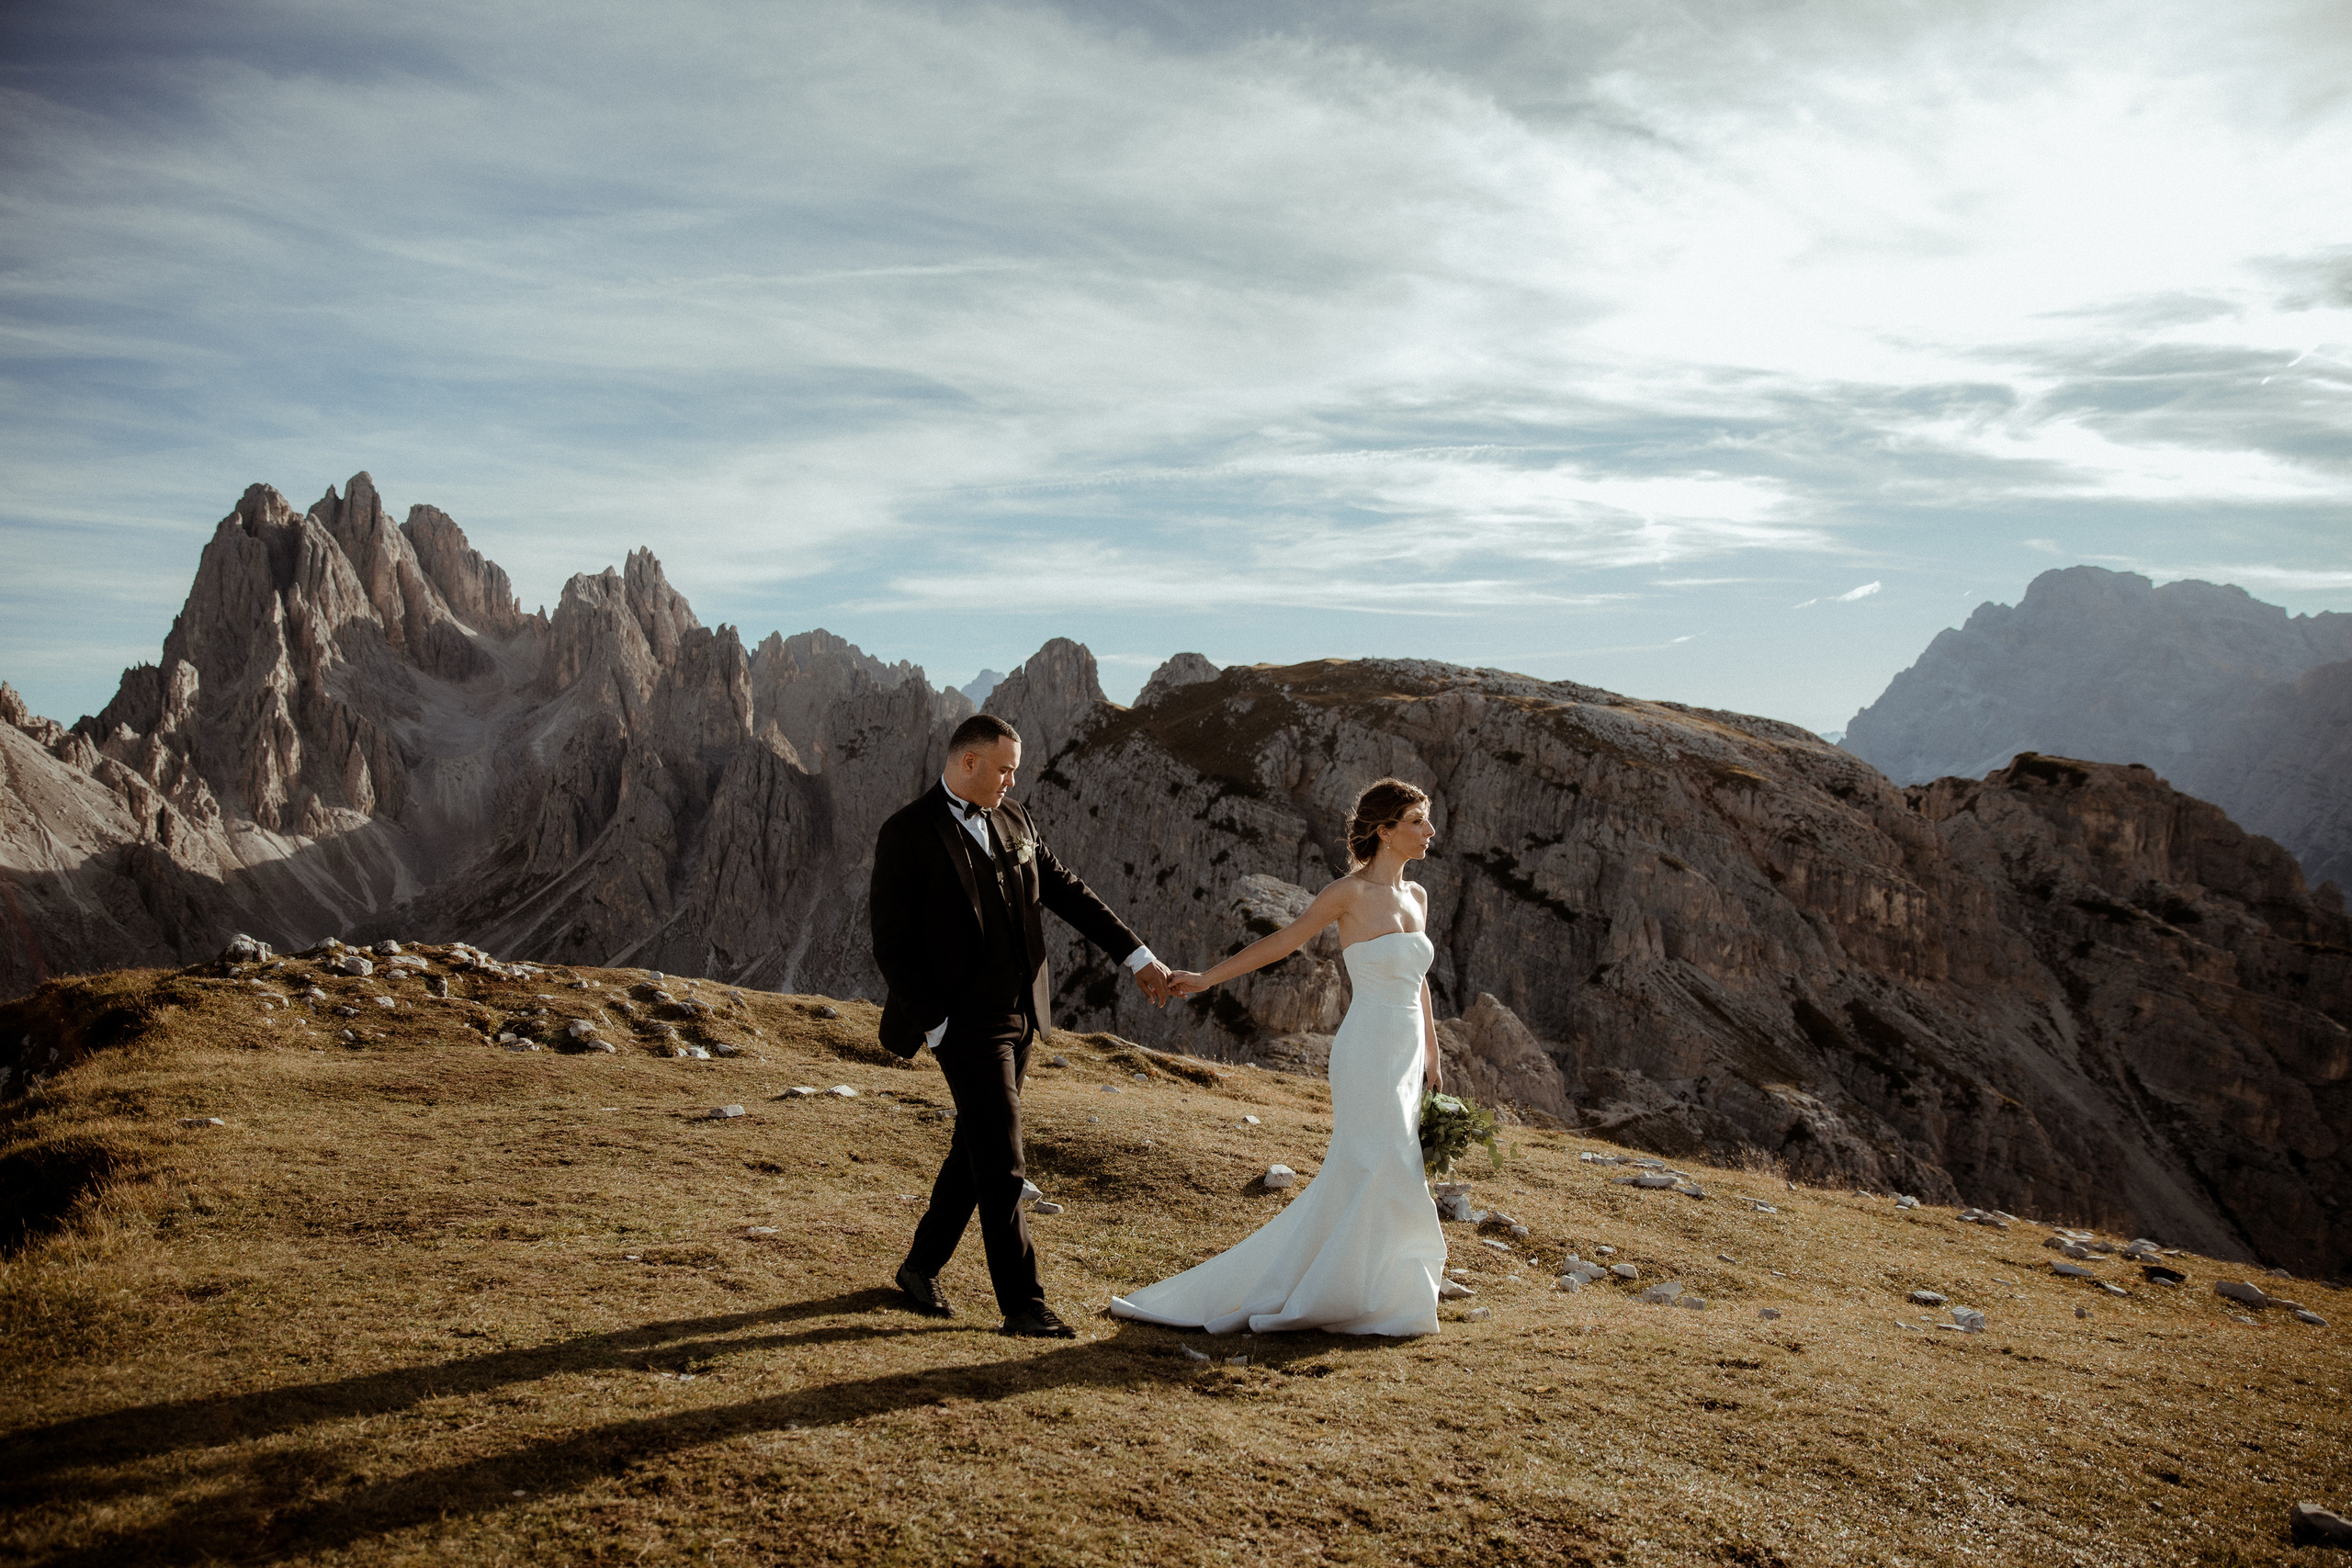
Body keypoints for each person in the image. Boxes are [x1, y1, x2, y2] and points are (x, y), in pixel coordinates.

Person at [870, 713, 1175, 1338]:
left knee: (974, 1148)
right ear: (969, 763)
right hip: (962, 1023)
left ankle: (919, 1267)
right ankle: (1023, 1305)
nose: (1013, 779)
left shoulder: (1017, 819)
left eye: (1016, 769)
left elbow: (1065, 889)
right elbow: (893, 945)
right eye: (1004, 768)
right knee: (1004, 1159)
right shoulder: (906, 833)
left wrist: (1136, 955)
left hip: (1020, 1014)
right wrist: (937, 1027)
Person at [1110, 777, 1448, 1337]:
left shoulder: (1418, 897)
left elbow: (1420, 984)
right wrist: (1206, 979)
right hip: (1366, 1050)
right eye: (1417, 821)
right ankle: (1339, 1294)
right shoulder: (1349, 894)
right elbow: (1279, 943)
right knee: (1377, 1162)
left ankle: (1381, 1290)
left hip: (1408, 1052)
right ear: (1386, 831)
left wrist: (1433, 1057)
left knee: (1392, 1164)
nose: (1429, 831)